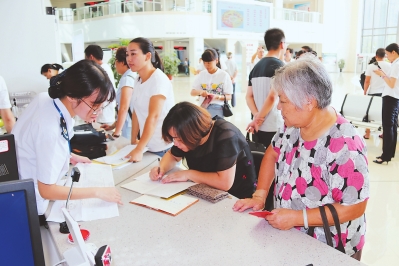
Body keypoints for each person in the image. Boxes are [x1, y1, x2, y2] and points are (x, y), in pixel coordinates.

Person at [234, 56, 369, 260]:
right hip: (292, 237)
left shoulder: (344, 145)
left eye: (283, 100)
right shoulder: (293, 126)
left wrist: (298, 217)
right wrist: (260, 196)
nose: (278, 107)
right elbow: (272, 153)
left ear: (308, 102)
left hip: (331, 246)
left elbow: (355, 206)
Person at [12, 60, 122, 216]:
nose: (98, 112)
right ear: (72, 96)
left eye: (101, 106)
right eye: (94, 105)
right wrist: (98, 192)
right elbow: (46, 190)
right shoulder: (49, 128)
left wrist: (69, 155)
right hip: (30, 205)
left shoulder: (47, 100)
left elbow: (37, 147)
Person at [149, 102, 256, 199]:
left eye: (179, 139)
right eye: (173, 138)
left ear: (193, 132)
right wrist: (161, 169)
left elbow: (224, 183)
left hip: (236, 197)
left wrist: (189, 174)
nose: (176, 144)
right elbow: (172, 156)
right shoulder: (186, 136)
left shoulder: (226, 135)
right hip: (207, 192)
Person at [126, 37, 175, 162]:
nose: (129, 59)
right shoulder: (138, 79)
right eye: (127, 54)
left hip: (162, 148)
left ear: (147, 56)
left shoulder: (158, 80)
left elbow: (153, 117)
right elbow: (136, 112)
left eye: (133, 54)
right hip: (147, 146)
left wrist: (139, 149)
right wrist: (133, 142)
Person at [246, 28, 286, 148]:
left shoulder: (255, 67)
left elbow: (248, 96)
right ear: (282, 44)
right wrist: (260, 118)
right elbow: (272, 97)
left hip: (258, 127)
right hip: (274, 126)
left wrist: (256, 116)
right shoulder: (280, 66)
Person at [101, 47, 136, 139]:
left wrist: (116, 133)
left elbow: (124, 108)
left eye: (115, 61)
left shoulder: (127, 79)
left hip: (130, 126)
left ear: (122, 62)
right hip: (130, 124)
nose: (115, 64)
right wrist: (112, 126)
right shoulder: (132, 75)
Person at [373, 43, 399, 164]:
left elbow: (391, 84)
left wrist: (382, 75)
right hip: (395, 98)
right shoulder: (395, 64)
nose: (387, 57)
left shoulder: (396, 65)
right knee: (392, 127)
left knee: (388, 127)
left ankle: (385, 156)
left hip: (390, 97)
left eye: (388, 54)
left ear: (394, 52)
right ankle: (389, 154)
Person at [191, 48, 233, 118]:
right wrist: (201, 92)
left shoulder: (224, 75)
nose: (206, 65)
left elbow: (229, 96)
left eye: (209, 63)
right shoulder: (202, 74)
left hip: (217, 107)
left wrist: (216, 97)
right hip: (203, 107)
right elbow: (192, 92)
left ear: (216, 60)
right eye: (204, 63)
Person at [84, 44, 116, 125]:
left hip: (103, 117)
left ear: (91, 57)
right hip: (104, 114)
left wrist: (92, 113)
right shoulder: (105, 68)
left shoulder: (101, 70)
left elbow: (99, 94)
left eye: (86, 58)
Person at [363, 49, 391, 139]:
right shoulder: (390, 65)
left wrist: (365, 91)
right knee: (384, 113)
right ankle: (384, 133)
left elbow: (367, 81)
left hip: (373, 92)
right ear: (385, 56)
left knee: (368, 113)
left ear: (376, 56)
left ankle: (367, 133)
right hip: (385, 93)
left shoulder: (371, 66)